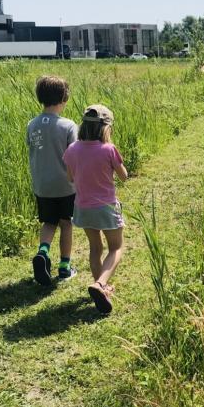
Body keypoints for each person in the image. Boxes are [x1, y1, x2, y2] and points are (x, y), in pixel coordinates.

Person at [63, 105, 128, 314]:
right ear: (106, 128)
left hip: (83, 207)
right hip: (106, 208)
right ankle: (100, 284)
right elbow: (124, 176)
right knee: (116, 248)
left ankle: (102, 289)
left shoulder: (72, 149)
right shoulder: (109, 149)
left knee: (95, 249)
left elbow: (70, 178)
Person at [26, 76, 78, 286]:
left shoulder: (32, 124)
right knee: (66, 224)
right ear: (64, 99)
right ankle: (65, 267)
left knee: (49, 222)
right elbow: (75, 157)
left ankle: (43, 252)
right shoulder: (68, 126)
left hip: (42, 184)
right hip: (65, 185)